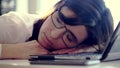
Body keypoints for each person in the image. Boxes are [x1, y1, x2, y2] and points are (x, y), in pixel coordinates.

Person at [0, 0, 114, 59]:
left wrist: (92, 49)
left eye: (69, 38)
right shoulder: (14, 24)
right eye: (59, 20)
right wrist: (11, 50)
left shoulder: (75, 49)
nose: (54, 35)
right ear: (58, 6)